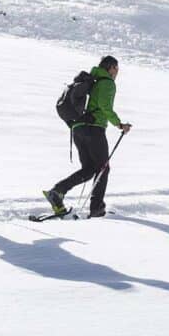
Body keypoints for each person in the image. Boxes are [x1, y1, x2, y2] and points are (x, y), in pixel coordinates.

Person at [44, 55, 131, 218]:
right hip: (94, 129)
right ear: (111, 67)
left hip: (78, 128)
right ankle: (97, 208)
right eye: (116, 68)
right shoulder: (107, 83)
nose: (117, 72)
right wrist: (119, 124)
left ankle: (57, 191)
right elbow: (105, 107)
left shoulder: (92, 81)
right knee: (103, 168)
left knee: (90, 169)